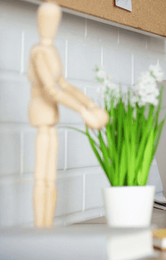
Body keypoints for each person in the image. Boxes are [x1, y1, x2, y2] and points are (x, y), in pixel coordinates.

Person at [28, 1, 108, 227]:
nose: (51, 25)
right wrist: (82, 110)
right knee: (41, 178)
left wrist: (88, 102)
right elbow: (51, 89)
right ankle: (39, 229)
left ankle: (47, 229)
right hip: (41, 115)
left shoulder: (51, 51)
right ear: (40, 22)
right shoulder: (38, 52)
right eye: (47, 20)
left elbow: (63, 83)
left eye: (54, 21)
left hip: (51, 116)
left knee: (50, 178)